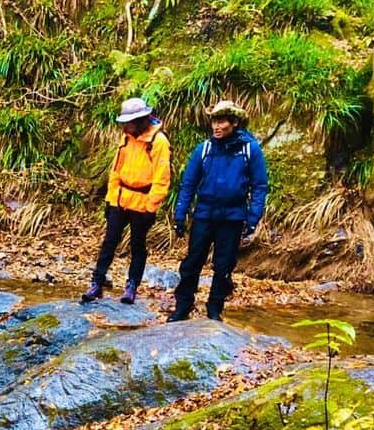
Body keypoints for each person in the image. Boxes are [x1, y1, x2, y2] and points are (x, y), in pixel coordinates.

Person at [168, 100, 269, 322]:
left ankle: (214, 309)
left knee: (223, 266)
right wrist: (180, 214)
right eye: (214, 120)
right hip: (204, 214)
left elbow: (260, 186)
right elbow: (188, 184)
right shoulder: (203, 149)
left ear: (234, 123)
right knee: (192, 262)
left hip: (232, 218)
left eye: (221, 121)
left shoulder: (249, 149)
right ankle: (182, 305)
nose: (216, 125)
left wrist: (253, 218)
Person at [81, 97, 171, 305]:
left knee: (137, 245)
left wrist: (151, 206)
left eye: (129, 122)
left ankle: (132, 286)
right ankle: (97, 283)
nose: (125, 126)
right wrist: (111, 199)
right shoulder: (127, 138)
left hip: (142, 202)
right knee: (109, 243)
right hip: (120, 200)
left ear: (141, 120)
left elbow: (162, 178)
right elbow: (116, 170)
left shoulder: (158, 142)